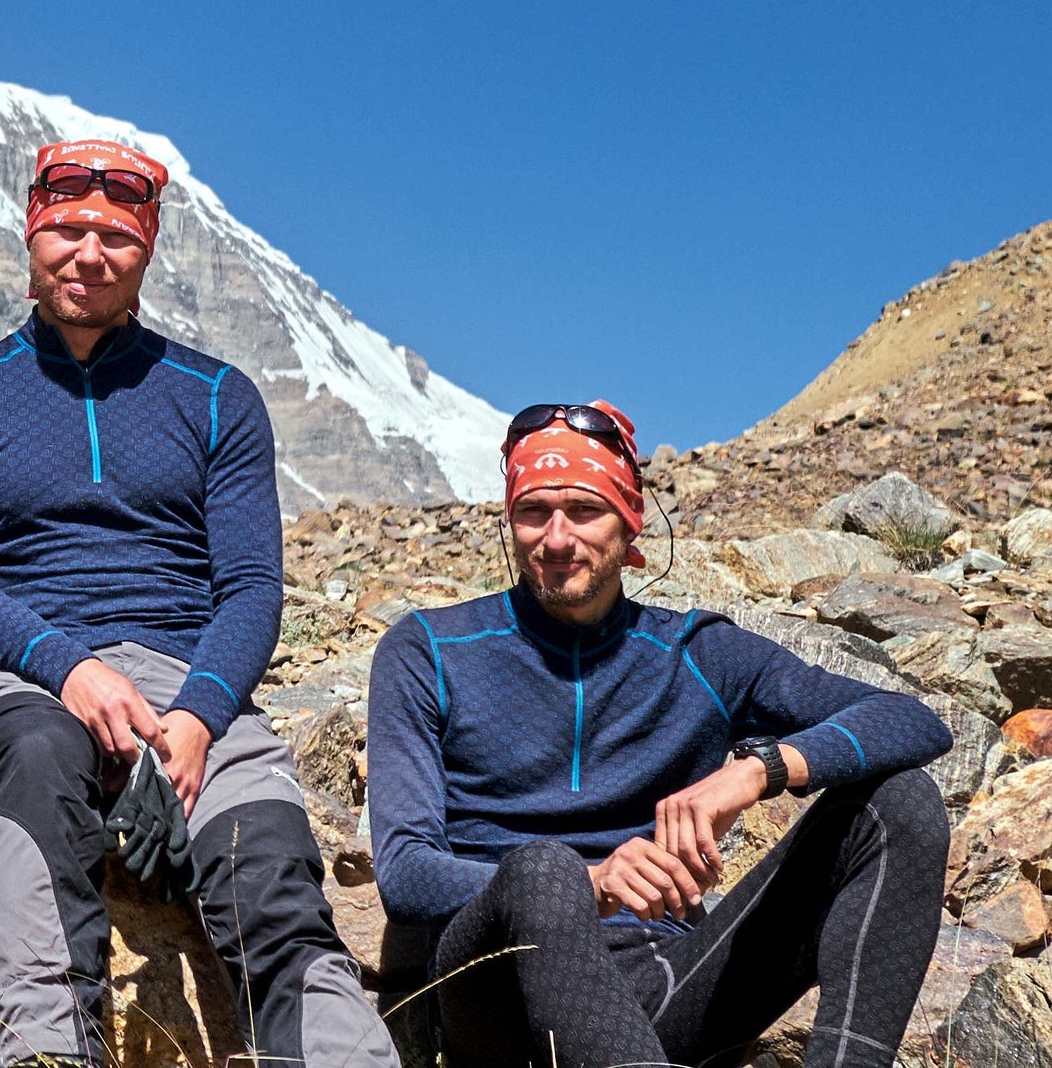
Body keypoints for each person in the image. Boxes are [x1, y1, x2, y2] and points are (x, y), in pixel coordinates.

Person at [0, 139, 390, 1068]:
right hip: (28, 675)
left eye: (115, 236)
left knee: (271, 874)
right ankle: (43, 1053)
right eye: (68, 231)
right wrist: (73, 670)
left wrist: (202, 717)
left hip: (191, 680)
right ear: (30, 234)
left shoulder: (217, 397)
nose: (89, 253)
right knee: (41, 760)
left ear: (149, 248)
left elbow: (250, 587)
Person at [367, 401, 953, 1068]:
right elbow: (405, 872)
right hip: (497, 994)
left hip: (664, 979)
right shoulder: (431, 649)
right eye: (534, 512)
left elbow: (912, 719)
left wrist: (755, 769)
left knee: (901, 802)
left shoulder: (696, 652)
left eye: (585, 510)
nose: (557, 538)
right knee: (542, 870)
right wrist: (589, 883)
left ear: (630, 521)